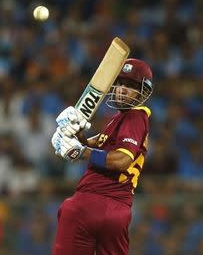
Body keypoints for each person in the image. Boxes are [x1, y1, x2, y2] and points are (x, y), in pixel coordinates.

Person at [51, 58, 153, 254]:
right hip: (118, 212)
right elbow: (92, 148)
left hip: (90, 204)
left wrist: (80, 151)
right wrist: (74, 133)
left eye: (130, 86)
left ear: (144, 92)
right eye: (120, 83)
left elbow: (122, 161)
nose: (122, 89)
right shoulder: (120, 120)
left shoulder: (135, 115)